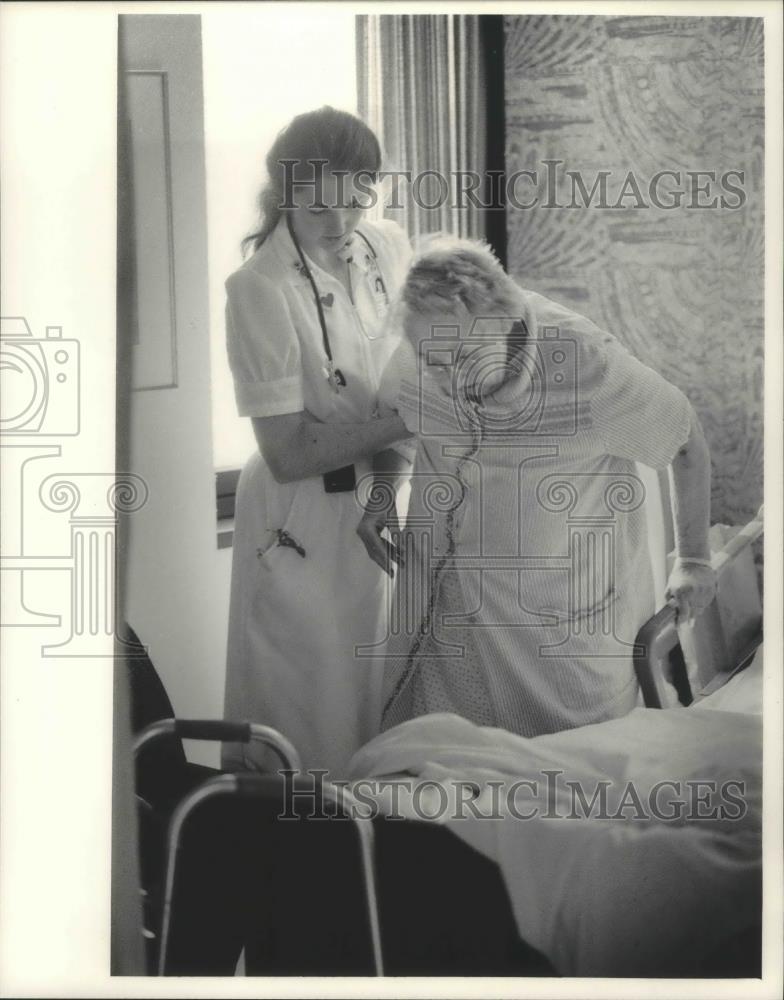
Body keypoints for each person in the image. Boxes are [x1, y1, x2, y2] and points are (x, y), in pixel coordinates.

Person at [374, 236, 717, 737]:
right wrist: (383, 492)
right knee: (450, 774)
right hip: (448, 624)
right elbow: (398, 416)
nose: (441, 377)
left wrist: (693, 560)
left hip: (560, 632)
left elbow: (684, 440)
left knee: (569, 781)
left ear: (506, 324)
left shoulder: (587, 365)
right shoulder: (424, 347)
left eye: (458, 359)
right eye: (430, 362)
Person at [221, 108, 414, 777]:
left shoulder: (385, 248)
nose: (339, 224)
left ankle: (366, 863)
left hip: (374, 502)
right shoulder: (259, 289)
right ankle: (288, 869)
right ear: (286, 195)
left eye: (355, 200)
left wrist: (386, 489)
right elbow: (289, 452)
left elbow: (398, 381)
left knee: (376, 703)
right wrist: (411, 419)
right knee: (303, 711)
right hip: (296, 514)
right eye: (318, 205)